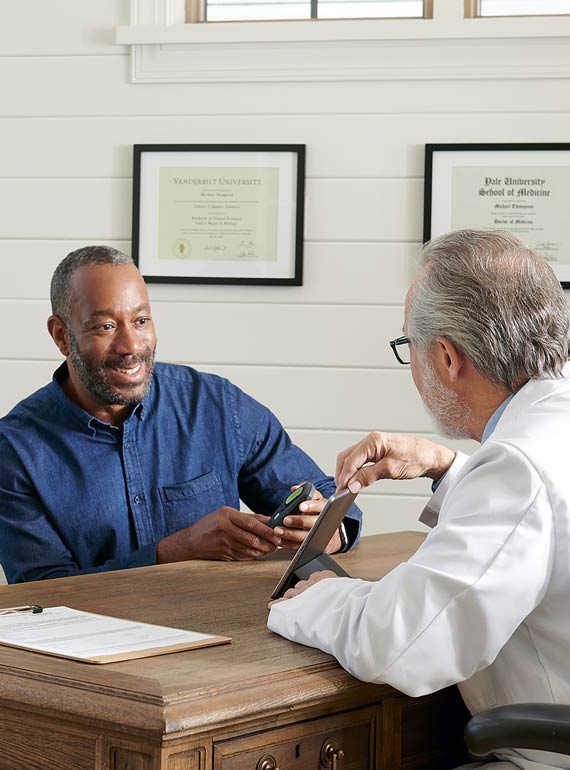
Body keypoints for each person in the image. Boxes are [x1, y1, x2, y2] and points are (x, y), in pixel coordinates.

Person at [268, 229, 570, 770]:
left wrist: (312, 599)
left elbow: (407, 642)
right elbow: (540, 528)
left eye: (408, 345)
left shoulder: (518, 466)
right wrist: (450, 468)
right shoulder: (547, 432)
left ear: (448, 358)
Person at [0, 246, 361, 583]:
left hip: (228, 633)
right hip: (92, 648)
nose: (131, 347)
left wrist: (327, 530)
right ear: (61, 336)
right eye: (105, 327)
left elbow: (334, 502)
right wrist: (176, 551)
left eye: (140, 321)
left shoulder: (217, 405)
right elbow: (42, 593)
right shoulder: (15, 450)